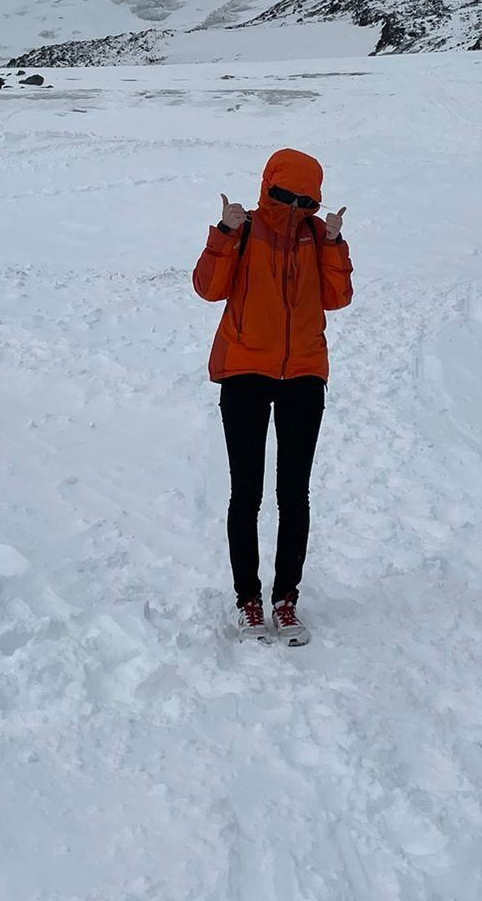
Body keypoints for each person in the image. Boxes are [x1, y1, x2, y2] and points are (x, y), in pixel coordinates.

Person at [192, 148, 353, 644]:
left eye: (306, 199)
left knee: (294, 495)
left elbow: (337, 298)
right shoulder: (244, 231)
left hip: (304, 373)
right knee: (247, 494)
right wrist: (224, 233)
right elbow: (207, 288)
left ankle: (286, 599)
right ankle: (249, 600)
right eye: (286, 194)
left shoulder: (313, 236)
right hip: (245, 370)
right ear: (268, 186)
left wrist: (333, 242)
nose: (294, 205)